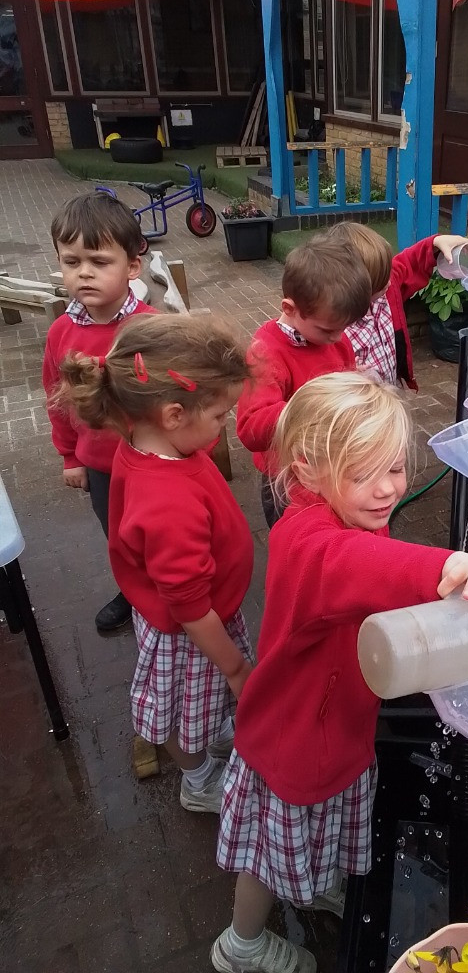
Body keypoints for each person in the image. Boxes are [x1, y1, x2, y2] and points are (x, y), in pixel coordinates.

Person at [212, 372, 468, 973]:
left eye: (395, 469)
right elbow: (357, 567)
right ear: (309, 470)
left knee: (324, 823)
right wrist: (446, 564)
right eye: (362, 473)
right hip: (292, 742)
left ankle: (314, 879)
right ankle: (240, 944)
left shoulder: (355, 513)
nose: (386, 491)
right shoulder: (306, 538)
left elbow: (372, 576)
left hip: (339, 729)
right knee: (266, 860)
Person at [53, 313, 255, 813]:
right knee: (181, 713)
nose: (224, 423)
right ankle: (199, 779)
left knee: (198, 706)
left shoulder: (153, 447)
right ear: (171, 415)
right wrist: (233, 667)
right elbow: (187, 604)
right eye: (219, 415)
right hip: (193, 633)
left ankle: (212, 730)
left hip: (199, 617)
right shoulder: (167, 503)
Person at [43, 191, 156, 632]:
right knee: (119, 538)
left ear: (131, 266)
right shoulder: (61, 333)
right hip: (102, 466)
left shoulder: (149, 327)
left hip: (150, 460)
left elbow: (178, 396)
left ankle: (177, 590)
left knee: (163, 532)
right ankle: (132, 591)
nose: (84, 273)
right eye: (71, 262)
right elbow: (56, 396)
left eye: (99, 261)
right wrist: (70, 456)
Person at [235, 235, 371, 528]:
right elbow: (249, 428)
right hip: (287, 477)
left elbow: (343, 371)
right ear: (289, 309)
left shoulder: (332, 336)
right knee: (297, 539)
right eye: (328, 330)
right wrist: (314, 404)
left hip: (330, 464)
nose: (338, 338)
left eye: (344, 328)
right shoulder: (266, 353)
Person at [326, 222, 468, 388]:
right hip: (358, 403)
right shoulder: (332, 327)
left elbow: (408, 262)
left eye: (388, 271)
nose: (390, 281)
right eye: (382, 279)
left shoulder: (386, 287)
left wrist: (434, 245)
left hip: (391, 386)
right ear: (353, 286)